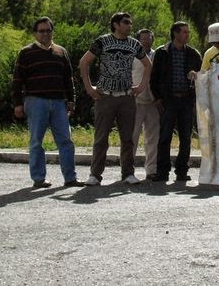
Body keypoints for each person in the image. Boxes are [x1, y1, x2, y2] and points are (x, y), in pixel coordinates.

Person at [79, 12, 151, 186]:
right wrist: (89, 88)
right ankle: (95, 174)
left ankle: (128, 173)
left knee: (128, 137)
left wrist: (141, 86)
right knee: (101, 137)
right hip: (105, 97)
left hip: (127, 97)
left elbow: (148, 64)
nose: (129, 26)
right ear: (116, 24)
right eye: (126, 22)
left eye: (130, 23)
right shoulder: (102, 41)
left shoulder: (134, 44)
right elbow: (84, 62)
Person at [12, 17, 83, 188]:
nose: (45, 33)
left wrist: (71, 100)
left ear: (52, 31)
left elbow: (68, 78)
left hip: (59, 102)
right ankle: (39, 179)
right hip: (35, 101)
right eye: (41, 31)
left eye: (48, 30)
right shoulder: (25, 53)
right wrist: (17, 104)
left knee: (66, 140)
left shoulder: (61, 52)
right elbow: (17, 80)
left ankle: (70, 178)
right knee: (36, 141)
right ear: (35, 33)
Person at [150, 21, 202, 182]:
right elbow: (154, 77)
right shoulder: (162, 52)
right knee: (164, 136)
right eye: (184, 32)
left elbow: (201, 77)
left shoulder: (193, 54)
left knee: (185, 138)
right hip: (168, 100)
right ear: (175, 33)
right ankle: (162, 171)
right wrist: (157, 98)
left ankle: (181, 170)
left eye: (188, 32)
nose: (187, 34)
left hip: (186, 100)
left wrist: (195, 98)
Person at [132, 29, 159, 181]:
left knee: (152, 138)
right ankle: (128, 169)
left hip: (153, 102)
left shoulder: (157, 55)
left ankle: (151, 170)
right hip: (135, 101)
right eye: (143, 39)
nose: (146, 41)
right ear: (138, 40)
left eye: (149, 38)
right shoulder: (131, 56)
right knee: (132, 137)